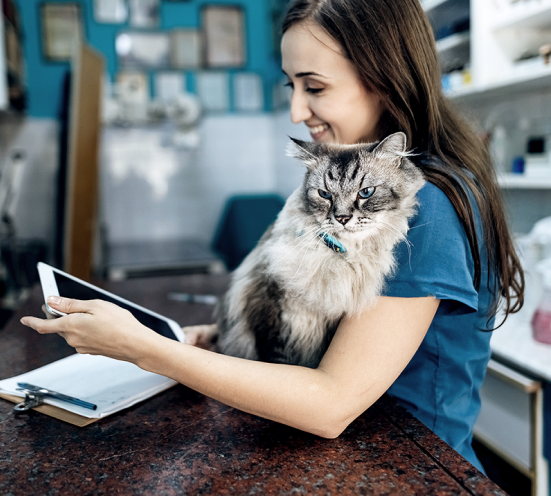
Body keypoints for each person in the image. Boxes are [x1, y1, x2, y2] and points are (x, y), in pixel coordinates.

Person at [21, 0, 523, 472]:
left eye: (315, 87)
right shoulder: (356, 174)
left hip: (413, 468)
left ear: (384, 79)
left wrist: (146, 349)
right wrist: (224, 340)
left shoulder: (424, 203)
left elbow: (331, 403)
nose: (296, 112)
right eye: (291, 87)